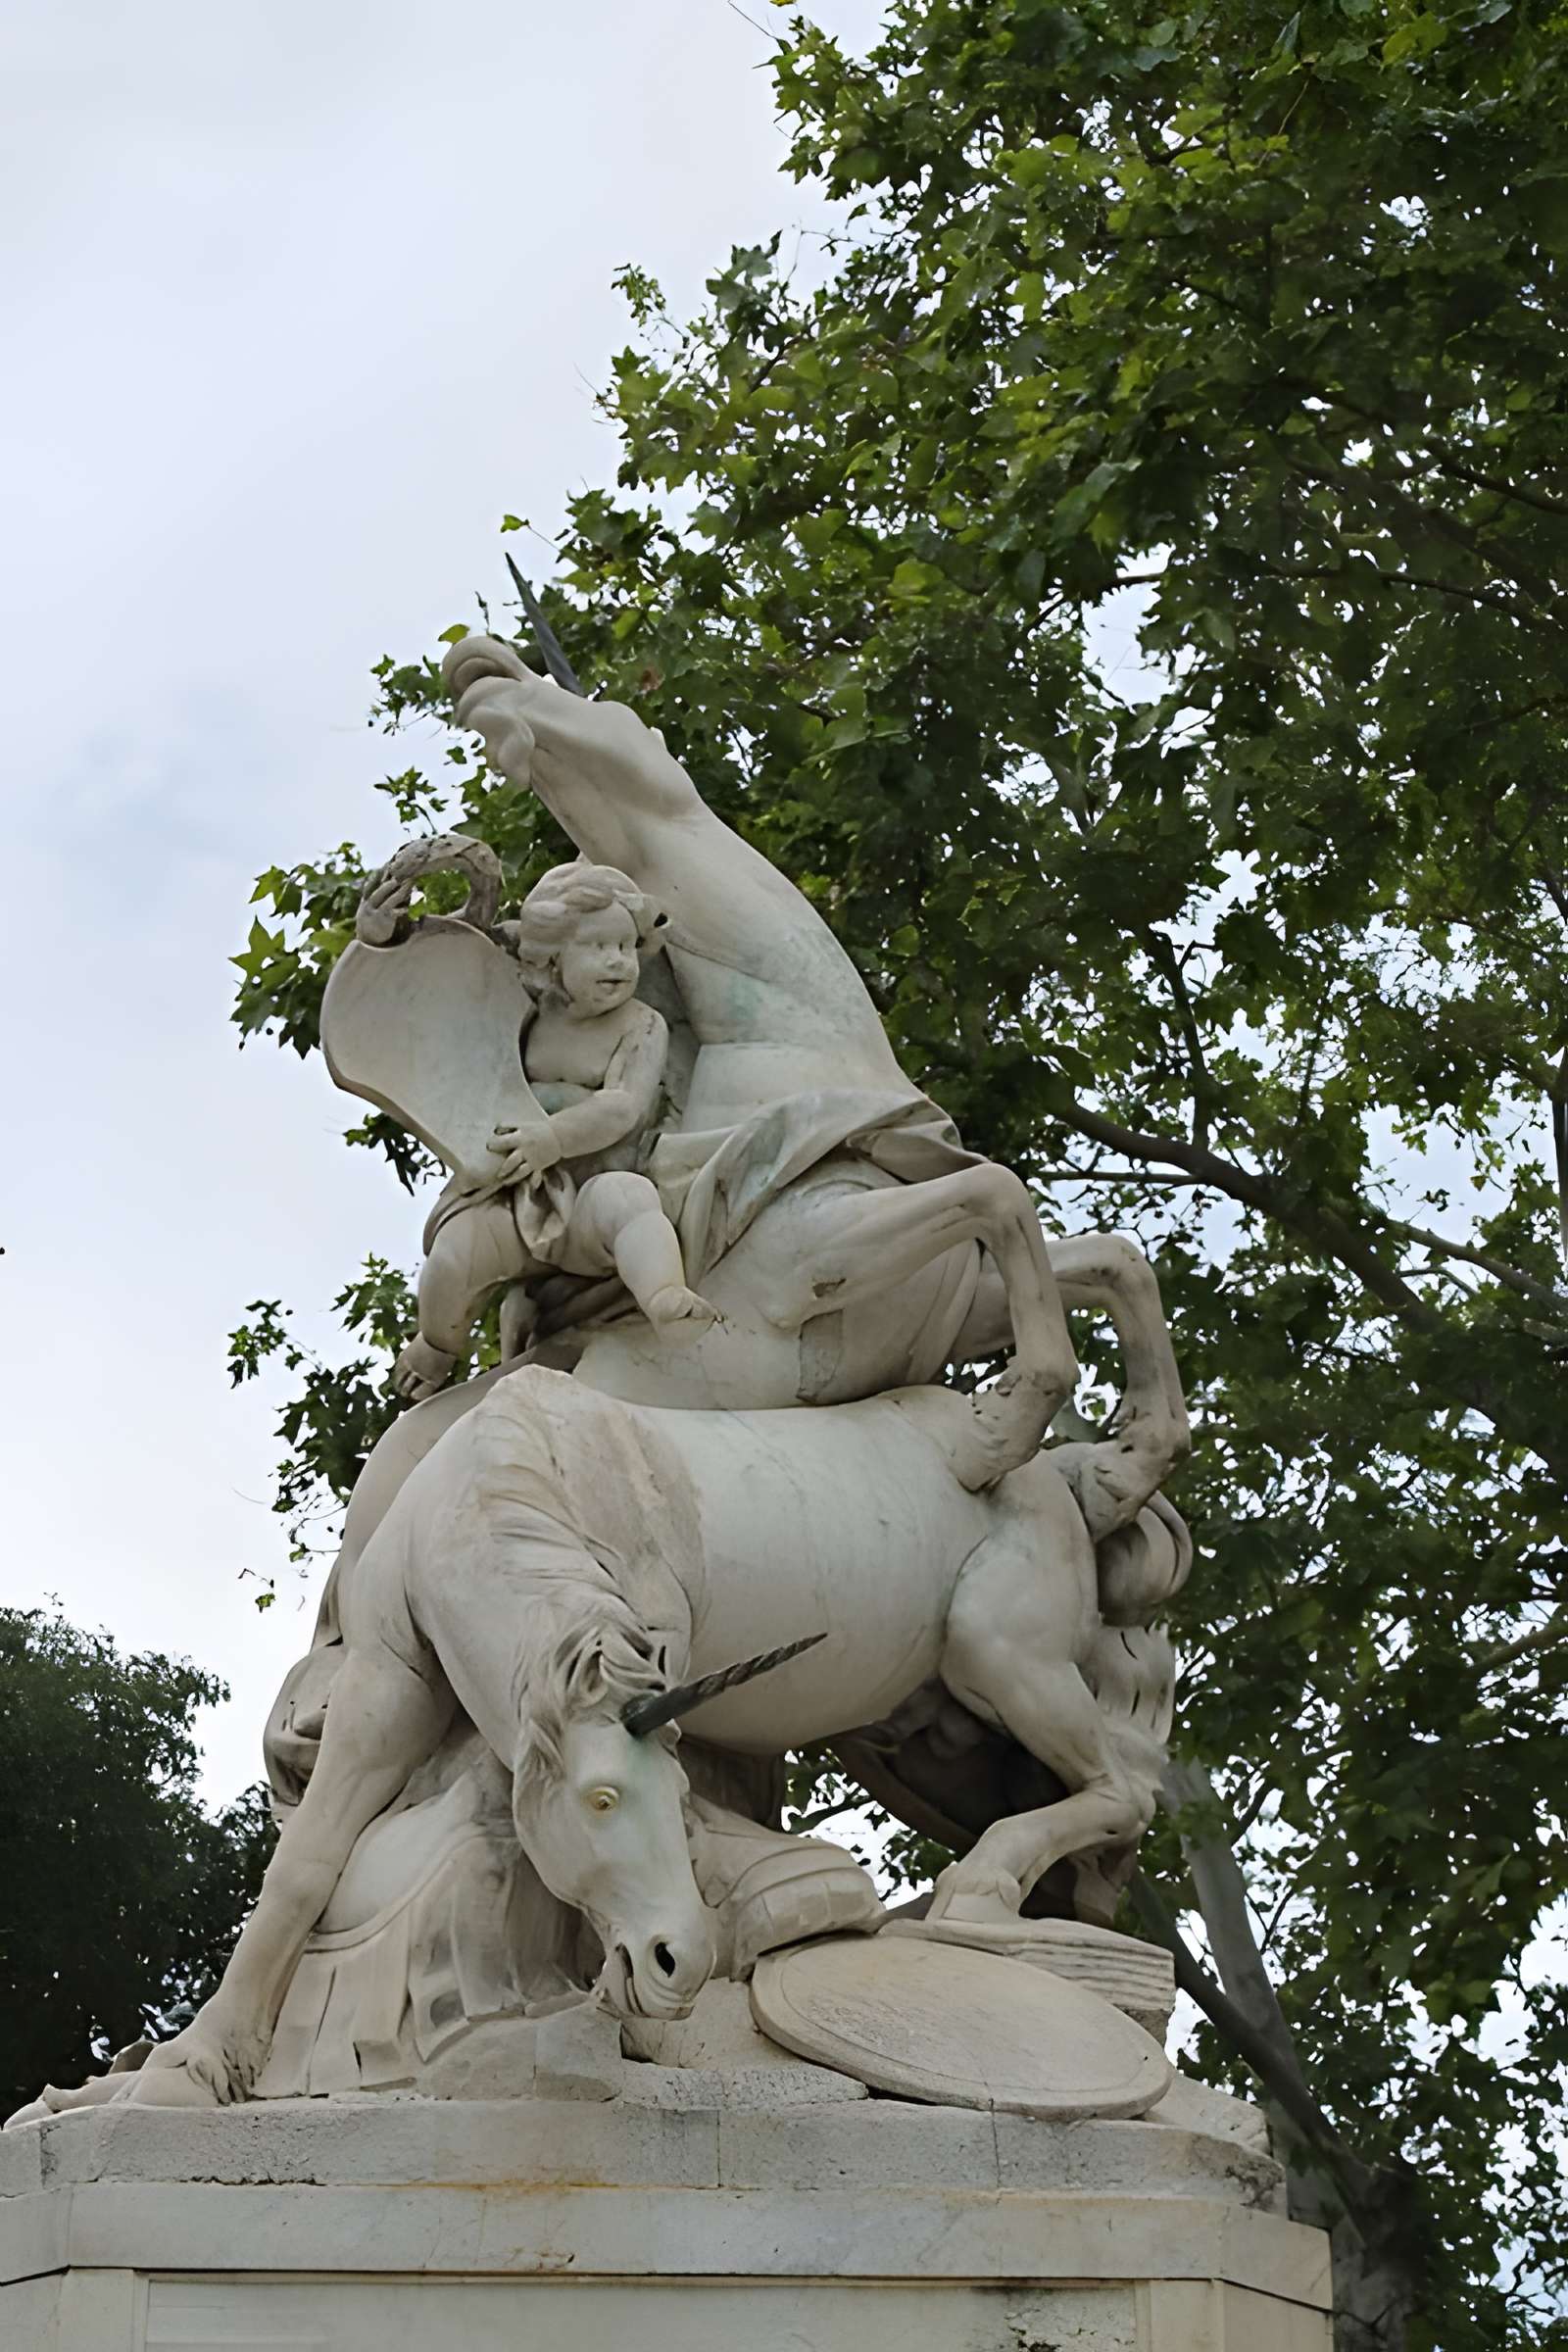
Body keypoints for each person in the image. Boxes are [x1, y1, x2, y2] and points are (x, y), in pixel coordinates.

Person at [391, 858, 714, 1400]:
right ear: (551, 958)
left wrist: (555, 1138)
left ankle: (664, 1296)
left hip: (589, 1190)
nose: (618, 962)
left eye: (625, 947)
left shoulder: (641, 1024)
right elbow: (454, 957)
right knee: (450, 1262)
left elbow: (624, 1106)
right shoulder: (524, 1012)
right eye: (598, 948)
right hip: (508, 1191)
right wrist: (384, 933)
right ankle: (436, 1344)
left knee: (632, 1201)